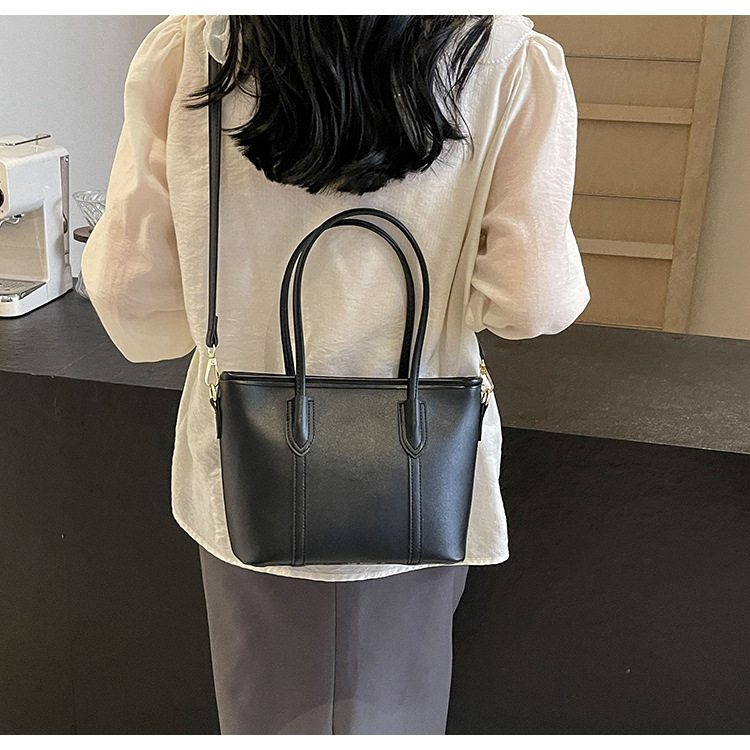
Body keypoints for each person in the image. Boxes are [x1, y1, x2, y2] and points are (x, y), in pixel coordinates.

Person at [80, 14, 590, 735]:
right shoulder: (504, 56)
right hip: (423, 472)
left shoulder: (198, 48)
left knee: (263, 712)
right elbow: (533, 300)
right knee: (399, 715)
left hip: (244, 471)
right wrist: (445, 299)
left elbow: (131, 291)